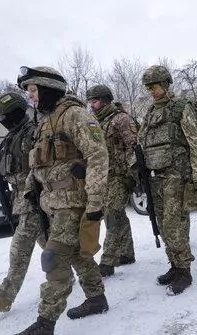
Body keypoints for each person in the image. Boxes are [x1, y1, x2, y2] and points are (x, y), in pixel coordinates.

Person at [15, 66, 109, 335]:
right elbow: (39, 163)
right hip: (51, 202)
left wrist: (94, 202)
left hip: (72, 201)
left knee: (55, 259)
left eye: (33, 90)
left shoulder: (74, 115)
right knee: (79, 254)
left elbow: (98, 156)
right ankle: (97, 298)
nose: (30, 96)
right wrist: (31, 192)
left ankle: (45, 324)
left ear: (46, 88)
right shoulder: (45, 120)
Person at [0, 92, 46, 313]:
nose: (2, 122)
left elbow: (40, 167)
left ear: (14, 113)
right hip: (21, 198)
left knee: (20, 247)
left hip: (34, 198)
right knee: (49, 243)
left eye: (4, 117)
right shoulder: (13, 135)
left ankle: (4, 296)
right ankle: (82, 271)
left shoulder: (33, 132)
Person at [137, 65, 197, 295]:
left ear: (166, 84)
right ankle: (174, 265)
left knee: (175, 225)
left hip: (176, 176)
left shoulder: (180, 107)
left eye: (155, 86)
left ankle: (184, 270)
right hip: (155, 177)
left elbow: (195, 142)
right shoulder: (150, 112)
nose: (151, 91)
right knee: (162, 224)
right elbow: (142, 141)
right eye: (149, 87)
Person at [86, 84, 137, 277]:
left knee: (113, 215)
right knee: (115, 214)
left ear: (106, 100)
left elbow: (133, 146)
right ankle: (126, 252)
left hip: (120, 175)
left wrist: (133, 173)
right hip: (103, 177)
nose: (92, 104)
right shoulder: (93, 122)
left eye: (95, 100)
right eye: (90, 101)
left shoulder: (120, 119)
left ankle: (108, 261)